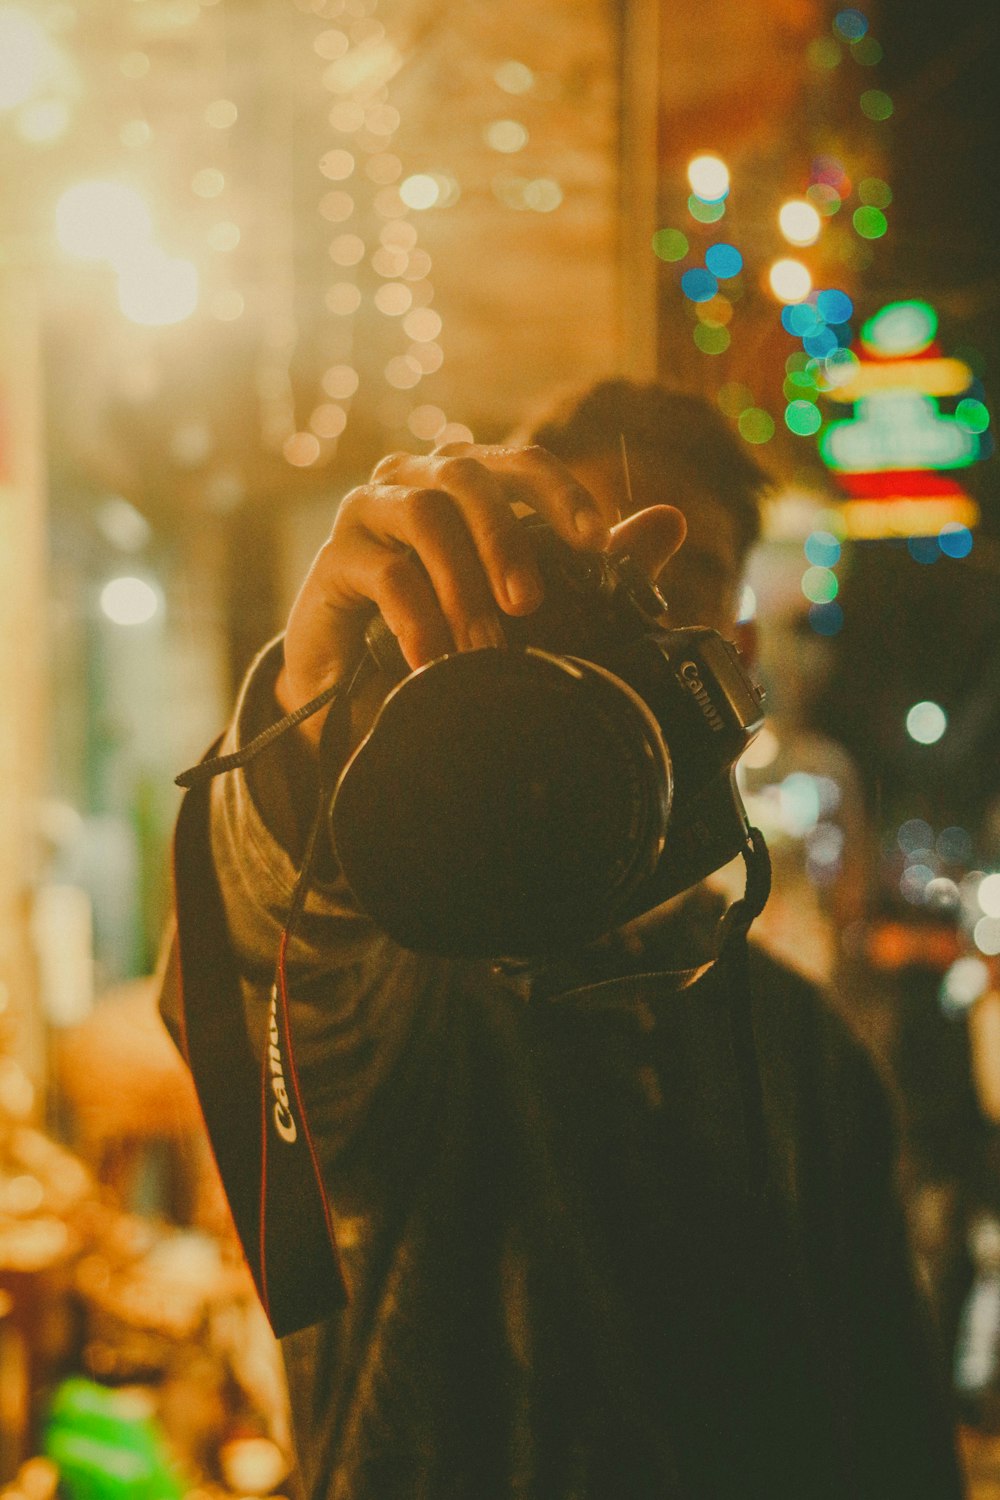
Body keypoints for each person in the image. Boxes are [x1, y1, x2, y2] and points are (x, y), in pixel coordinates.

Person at [160, 379, 965, 1498]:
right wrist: (310, 720)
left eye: (671, 591)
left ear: (729, 656)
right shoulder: (403, 952)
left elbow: (892, 1435)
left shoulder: (807, 1054)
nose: (625, 626)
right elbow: (283, 989)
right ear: (494, 598)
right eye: (583, 586)